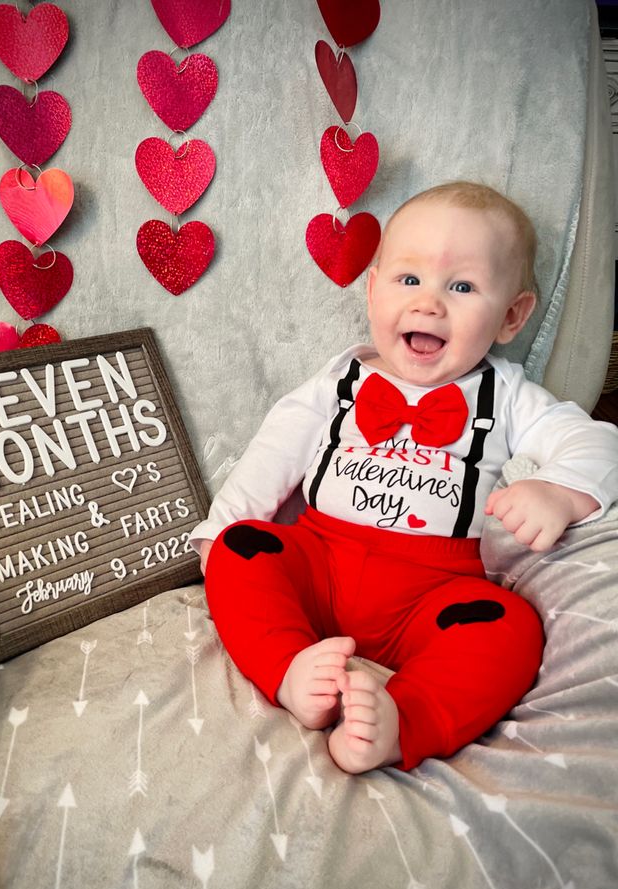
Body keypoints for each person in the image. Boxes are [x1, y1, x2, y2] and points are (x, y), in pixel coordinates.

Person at [190, 181, 618, 774]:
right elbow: (276, 448)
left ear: (512, 316)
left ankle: (400, 722)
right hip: (321, 562)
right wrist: (221, 528)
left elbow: (594, 438)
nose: (428, 304)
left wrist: (561, 491)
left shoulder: (507, 395)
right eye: (408, 280)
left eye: (462, 287)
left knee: (509, 629)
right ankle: (289, 671)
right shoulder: (344, 379)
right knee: (244, 548)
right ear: (372, 291)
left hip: (432, 594)